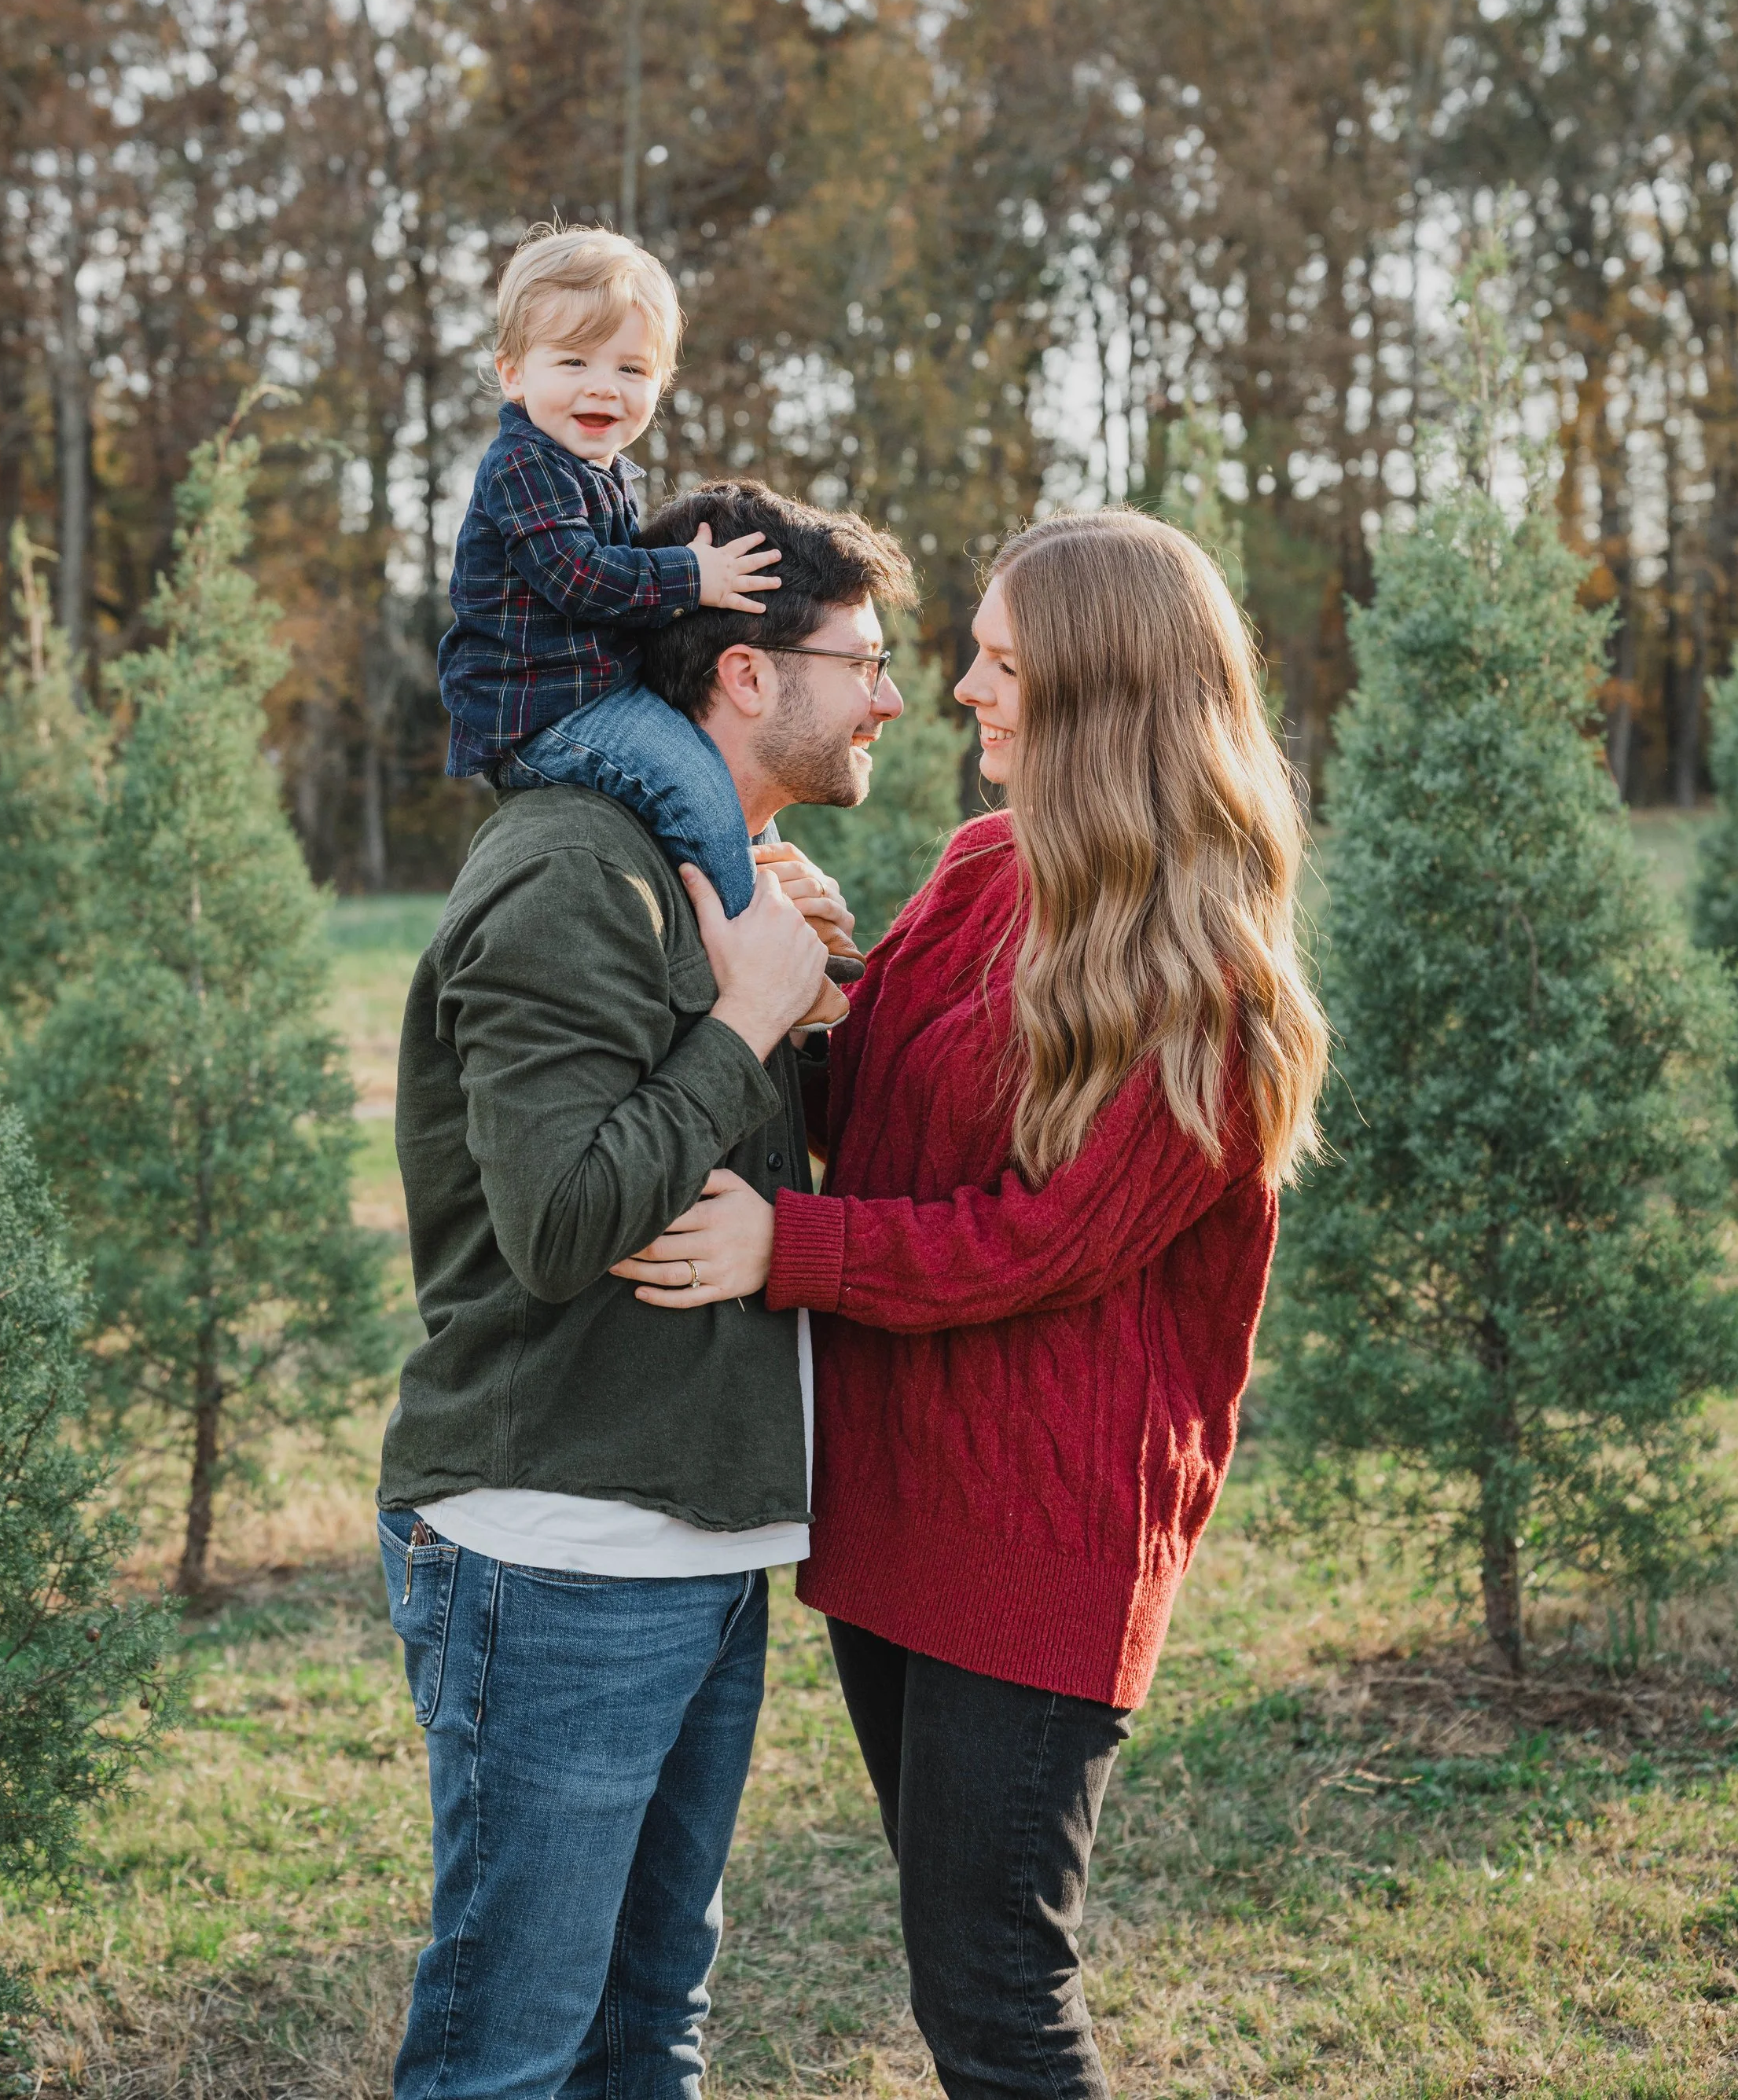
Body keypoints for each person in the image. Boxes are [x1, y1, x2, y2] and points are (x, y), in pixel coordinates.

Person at [614, 509, 1328, 2100]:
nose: (954, 690)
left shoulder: (1202, 977)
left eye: (998, 664)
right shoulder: (982, 867)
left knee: (998, 1994)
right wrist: (794, 988)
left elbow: (1035, 1243)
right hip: (900, 1507)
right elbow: (863, 1116)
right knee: (960, 1968)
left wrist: (783, 1250)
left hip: (1042, 1540)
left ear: (1099, 696)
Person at [379, 479, 913, 2100]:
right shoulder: (570, 870)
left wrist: (794, 1013)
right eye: (864, 657)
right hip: (557, 1554)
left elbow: (731, 1163)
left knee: (645, 2033)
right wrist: (743, 1024)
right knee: (511, 2057)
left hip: (691, 1536)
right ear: (746, 671)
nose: (891, 694)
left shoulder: (718, 871)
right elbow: (558, 1225)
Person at [438, 220, 787, 925]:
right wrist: (694, 576)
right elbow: (580, 578)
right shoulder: (524, 467)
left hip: (595, 695)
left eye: (630, 369)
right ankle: (750, 940)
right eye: (573, 363)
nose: (603, 388)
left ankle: (785, 905)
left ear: (660, 382)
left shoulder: (596, 472)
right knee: (691, 783)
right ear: (513, 374)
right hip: (544, 714)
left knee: (730, 774)